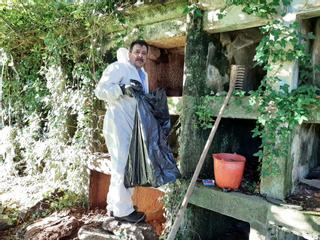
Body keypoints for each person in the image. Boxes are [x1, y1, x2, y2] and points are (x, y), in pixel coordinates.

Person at [94, 40, 149, 223]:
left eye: (143, 53)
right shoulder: (118, 67)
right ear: (130, 53)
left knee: (124, 166)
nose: (140, 55)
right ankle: (123, 211)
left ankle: (114, 206)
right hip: (117, 124)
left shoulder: (144, 75)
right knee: (123, 166)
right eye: (137, 52)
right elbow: (100, 91)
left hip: (133, 126)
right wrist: (121, 89)